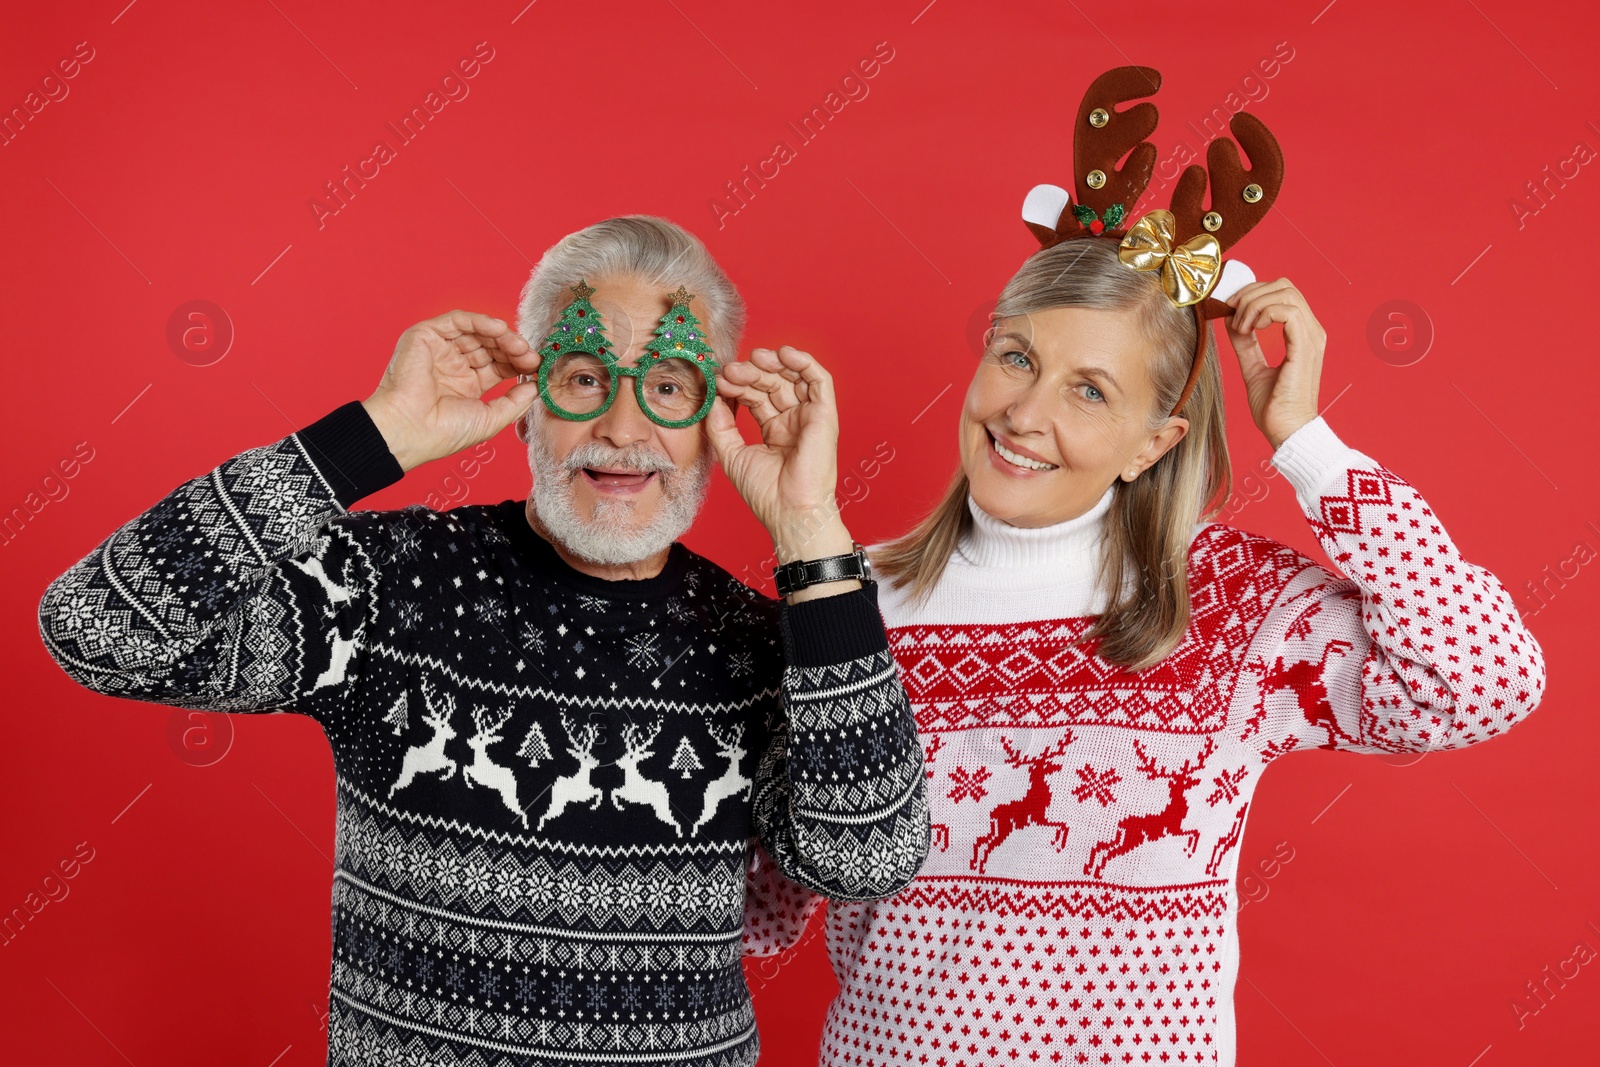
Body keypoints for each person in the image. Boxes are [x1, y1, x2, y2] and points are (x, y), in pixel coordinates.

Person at [741, 70, 1547, 1066]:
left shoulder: (1230, 605)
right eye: (1014, 356)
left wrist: (1305, 440)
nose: (1024, 413)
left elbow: (1478, 680)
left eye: (1089, 391)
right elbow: (763, 904)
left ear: (1152, 443)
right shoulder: (845, 602)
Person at [37, 215, 931, 1067]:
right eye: (584, 378)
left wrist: (811, 528)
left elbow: (869, 859)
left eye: (668, 388)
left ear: (713, 417)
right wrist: (373, 437)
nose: (624, 431)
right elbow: (99, 630)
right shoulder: (394, 585)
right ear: (531, 402)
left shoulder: (762, 642)